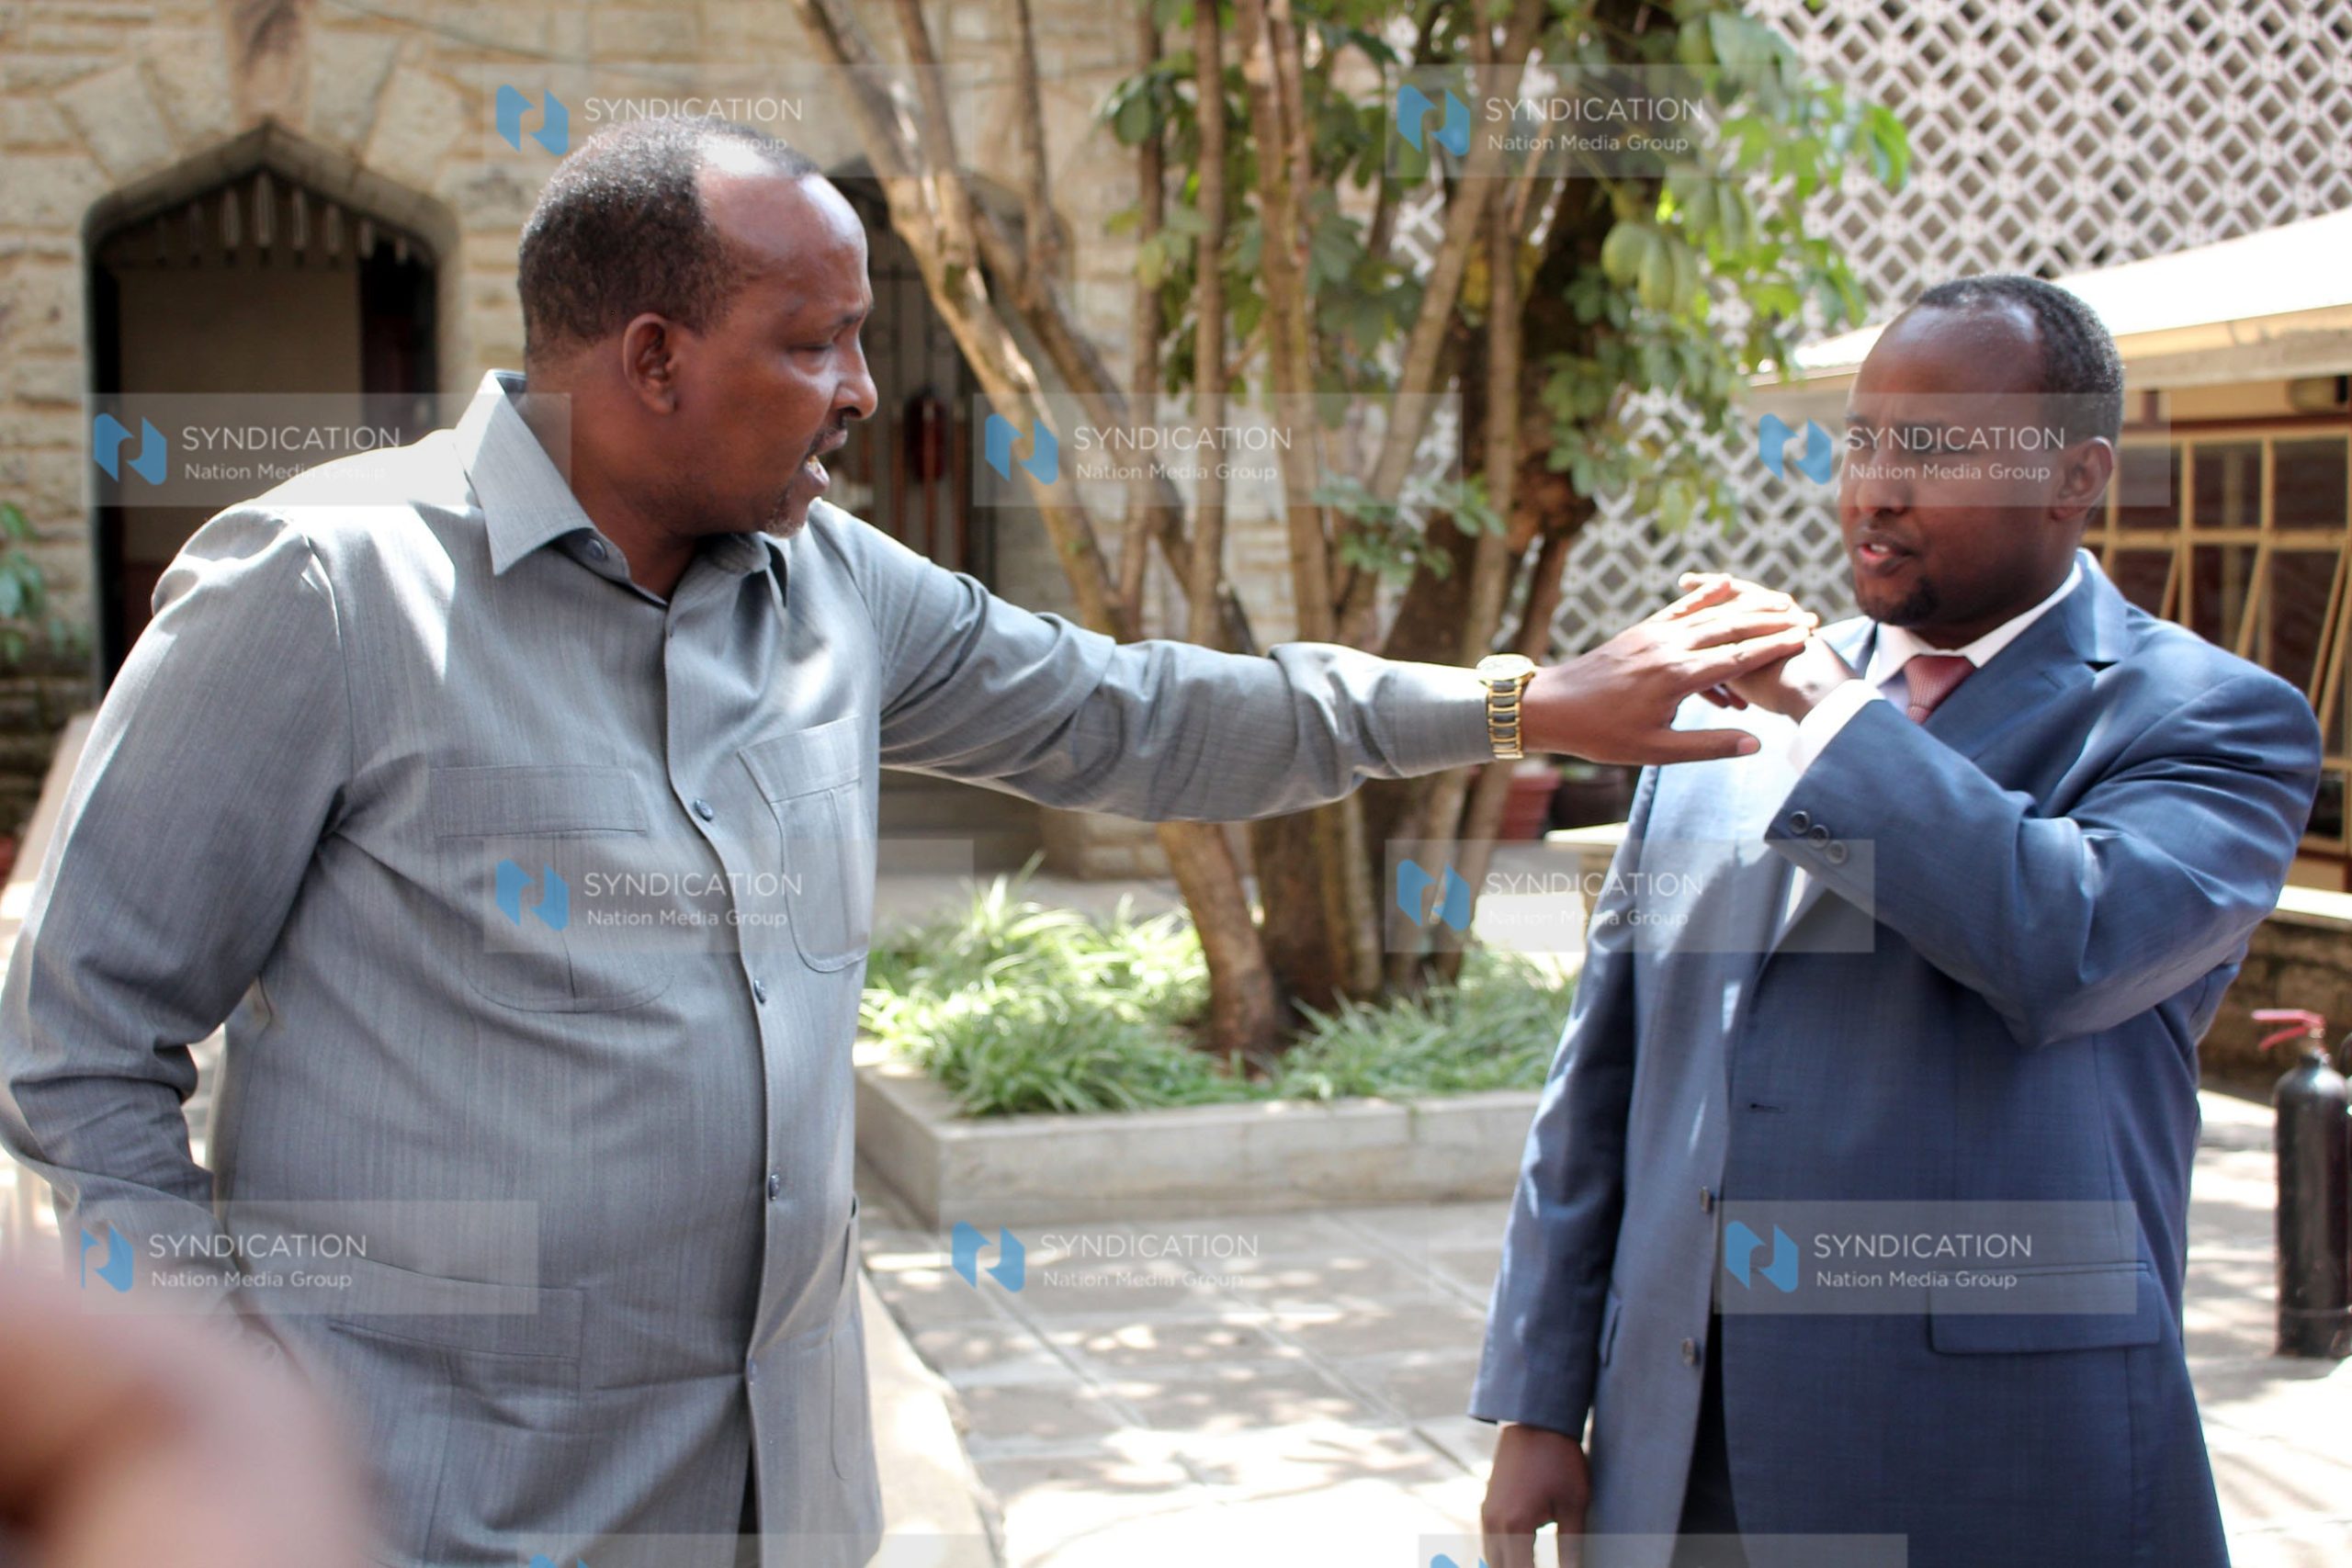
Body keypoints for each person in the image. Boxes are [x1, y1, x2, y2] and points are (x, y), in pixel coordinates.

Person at [0, 118, 1809, 1568]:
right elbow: (82, 1035)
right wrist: (221, 1389)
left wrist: (1524, 705)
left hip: (779, 1497)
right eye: (814, 342)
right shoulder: (325, 587)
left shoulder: (829, 588)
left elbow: (1149, 713)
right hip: (423, 1502)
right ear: (649, 356)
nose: (863, 390)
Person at [1471, 276, 2321, 1568]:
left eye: (1933, 449)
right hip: (1675, 1453)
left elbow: (2063, 943)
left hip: (1995, 1465)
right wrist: (1540, 1395)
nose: (1874, 486)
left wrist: (1829, 714)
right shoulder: (1721, 721)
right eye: (1862, 439)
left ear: (2073, 476)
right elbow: (1607, 1066)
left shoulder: (2210, 720)